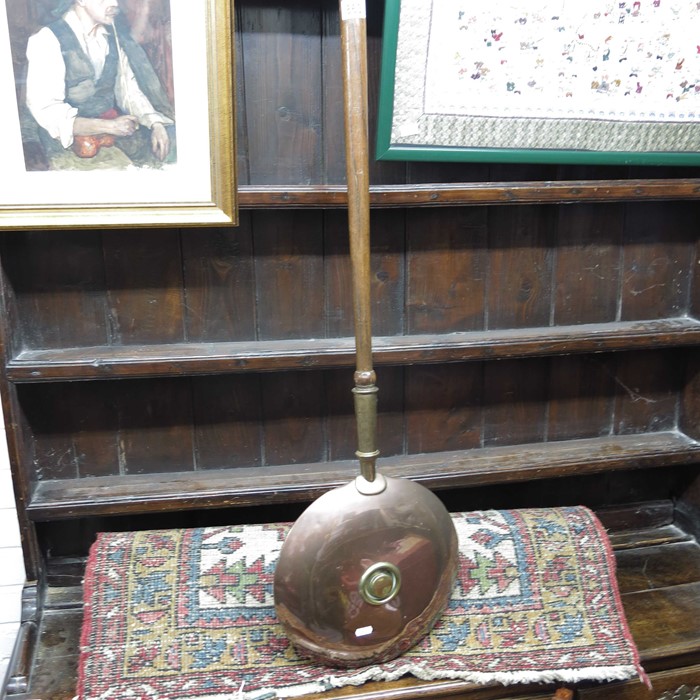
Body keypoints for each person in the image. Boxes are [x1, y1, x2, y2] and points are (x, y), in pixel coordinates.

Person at [24, 0, 175, 170]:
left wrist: (155, 123)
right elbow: (47, 109)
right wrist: (110, 126)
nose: (115, 4)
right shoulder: (47, 39)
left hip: (109, 137)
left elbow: (129, 92)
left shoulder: (113, 38)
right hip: (63, 144)